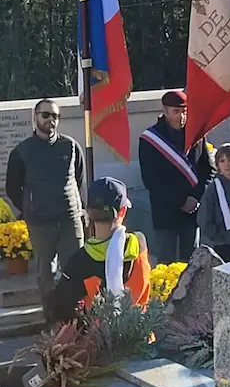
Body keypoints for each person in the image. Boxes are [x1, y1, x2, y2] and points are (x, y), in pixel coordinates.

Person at [6, 99, 85, 310]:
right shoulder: (22, 152)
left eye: (55, 116)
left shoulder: (70, 146)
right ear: (35, 118)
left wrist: (75, 206)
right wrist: (30, 208)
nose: (51, 120)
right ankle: (52, 317)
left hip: (69, 219)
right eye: (46, 115)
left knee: (75, 269)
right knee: (45, 273)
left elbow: (78, 178)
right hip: (40, 223)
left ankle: (75, 317)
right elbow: (13, 188)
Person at [45, 177, 151, 324]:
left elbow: (61, 310)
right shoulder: (139, 243)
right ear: (122, 211)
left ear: (89, 213)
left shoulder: (79, 261)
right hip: (142, 337)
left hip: (100, 341)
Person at [139, 90, 215, 264]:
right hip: (166, 213)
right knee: (167, 264)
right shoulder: (150, 139)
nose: (181, 117)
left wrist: (196, 197)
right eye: (176, 112)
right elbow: (151, 179)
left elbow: (208, 170)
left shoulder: (196, 134)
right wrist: (182, 200)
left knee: (192, 264)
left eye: (184, 112)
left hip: (192, 213)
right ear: (165, 111)